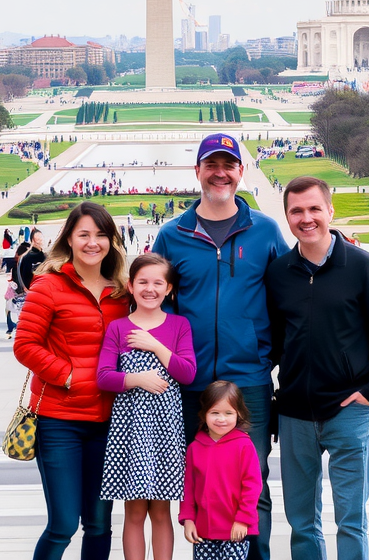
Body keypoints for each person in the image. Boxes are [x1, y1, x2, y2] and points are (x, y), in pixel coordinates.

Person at [152, 133, 288, 560]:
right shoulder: (172, 235)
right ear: (197, 172)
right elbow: (155, 300)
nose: (220, 172)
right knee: (200, 481)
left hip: (247, 380)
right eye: (211, 164)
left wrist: (267, 356)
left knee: (254, 482)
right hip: (189, 381)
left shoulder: (265, 230)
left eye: (228, 164)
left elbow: (284, 301)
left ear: (240, 172)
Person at [267, 176, 369, 560]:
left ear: (330, 211)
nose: (306, 218)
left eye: (313, 209)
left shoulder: (361, 265)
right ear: (287, 217)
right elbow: (275, 341)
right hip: (294, 411)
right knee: (301, 520)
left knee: (351, 518)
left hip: (349, 409)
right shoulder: (279, 273)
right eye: (296, 211)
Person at [13, 202, 130, 560]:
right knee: (63, 523)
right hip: (59, 420)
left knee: (98, 523)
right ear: (69, 238)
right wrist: (69, 376)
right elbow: (24, 345)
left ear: (112, 240)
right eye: (84, 235)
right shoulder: (49, 284)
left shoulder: (123, 290)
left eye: (101, 235)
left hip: (109, 422)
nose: (92, 243)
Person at [98, 254, 197, 560]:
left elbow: (187, 373)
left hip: (165, 432)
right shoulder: (118, 328)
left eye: (158, 283)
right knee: (135, 510)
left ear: (169, 289)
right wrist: (137, 378)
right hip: (130, 432)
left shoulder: (179, 325)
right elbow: (104, 377)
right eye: (142, 282)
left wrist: (155, 345)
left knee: (161, 510)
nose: (150, 289)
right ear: (130, 285)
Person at [179, 380, 262, 560]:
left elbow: (252, 486)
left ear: (238, 414)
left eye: (228, 413)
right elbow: (188, 488)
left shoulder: (244, 445)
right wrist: (188, 519)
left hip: (235, 530)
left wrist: (243, 520)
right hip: (204, 530)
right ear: (204, 414)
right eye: (214, 412)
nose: (221, 419)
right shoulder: (195, 447)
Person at [19, 227, 47, 291]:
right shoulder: (28, 257)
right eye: (38, 240)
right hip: (33, 290)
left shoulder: (45, 255)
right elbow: (25, 277)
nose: (41, 242)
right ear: (33, 241)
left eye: (41, 239)